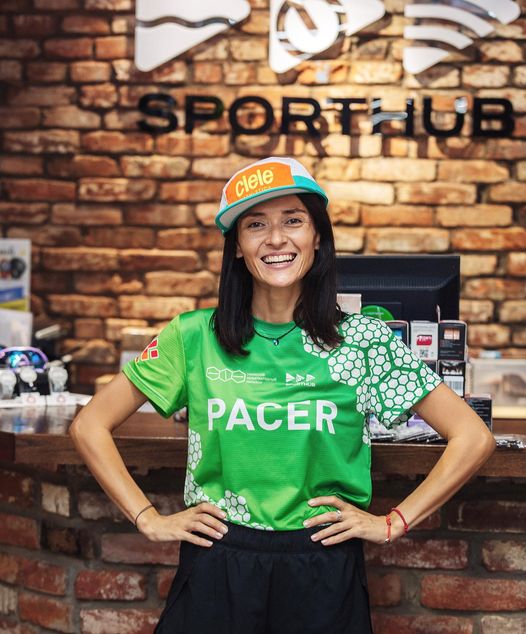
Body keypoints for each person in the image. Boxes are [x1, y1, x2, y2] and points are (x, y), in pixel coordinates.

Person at [70, 156, 495, 634]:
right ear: (237, 246)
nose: (276, 238)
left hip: (321, 566)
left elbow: (472, 436)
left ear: (318, 237)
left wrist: (393, 522)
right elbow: (89, 425)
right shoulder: (193, 336)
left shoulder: (365, 341)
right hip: (218, 562)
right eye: (256, 225)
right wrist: (148, 518)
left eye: (293, 220)